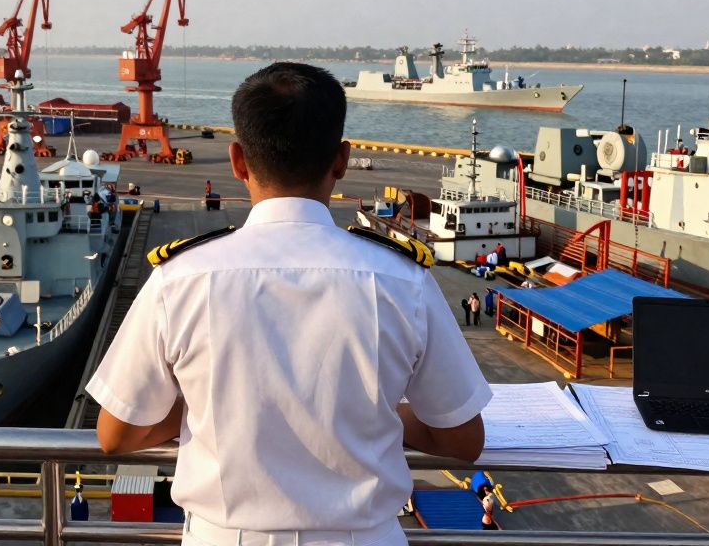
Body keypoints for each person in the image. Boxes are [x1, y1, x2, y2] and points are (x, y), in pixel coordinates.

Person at [86, 62, 491, 546]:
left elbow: (116, 434)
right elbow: (462, 441)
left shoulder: (180, 279)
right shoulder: (404, 280)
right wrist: (377, 414)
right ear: (340, 161)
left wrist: (216, 409)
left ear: (238, 161)